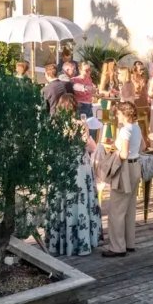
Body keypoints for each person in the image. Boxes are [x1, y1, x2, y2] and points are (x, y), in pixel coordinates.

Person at [46, 94, 102, 257]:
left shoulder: (53, 124)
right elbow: (90, 147)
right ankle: (81, 242)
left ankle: (59, 242)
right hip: (78, 166)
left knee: (62, 201)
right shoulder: (80, 124)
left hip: (61, 166)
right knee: (79, 202)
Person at [101, 101, 142, 258]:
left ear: (125, 114)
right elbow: (143, 145)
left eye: (118, 113)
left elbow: (123, 154)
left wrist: (114, 151)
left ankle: (117, 247)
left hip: (125, 169)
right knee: (130, 208)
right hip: (136, 165)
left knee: (116, 209)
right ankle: (129, 242)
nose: (116, 115)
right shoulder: (137, 127)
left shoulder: (125, 130)